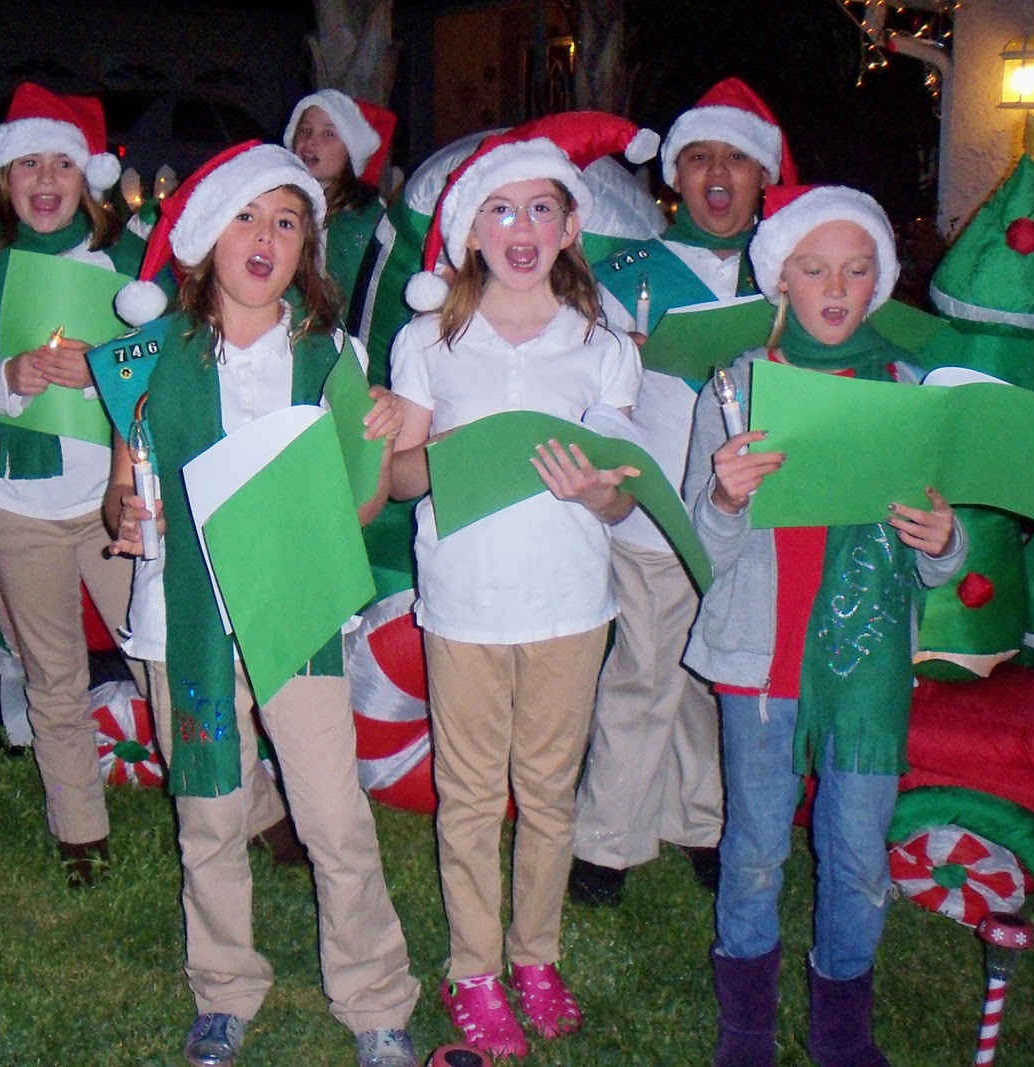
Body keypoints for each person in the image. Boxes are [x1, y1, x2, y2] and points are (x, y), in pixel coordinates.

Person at [98, 141, 421, 1067]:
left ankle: (374, 997)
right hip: (185, 624)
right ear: (204, 240)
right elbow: (123, 492)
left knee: (332, 815)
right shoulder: (149, 360)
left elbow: (362, 507)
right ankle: (225, 988)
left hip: (298, 617)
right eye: (247, 216)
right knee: (209, 810)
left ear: (305, 249)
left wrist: (374, 447)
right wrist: (123, 509)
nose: (267, 237)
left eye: (287, 222)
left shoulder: (334, 358)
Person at [388, 113, 655, 1059]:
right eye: (500, 208)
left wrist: (598, 491)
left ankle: (534, 955)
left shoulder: (603, 341)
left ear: (569, 228)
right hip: (463, 601)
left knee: (547, 795)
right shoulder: (428, 342)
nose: (522, 226)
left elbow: (625, 501)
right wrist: (436, 451)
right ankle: (473, 969)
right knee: (468, 796)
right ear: (470, 231)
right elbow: (401, 481)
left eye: (543, 207)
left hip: (571, 604)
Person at [683, 185, 967, 1066]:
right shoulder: (734, 386)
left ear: (879, 279)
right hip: (760, 660)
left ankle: (843, 1022)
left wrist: (944, 540)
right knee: (758, 842)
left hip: (865, 665)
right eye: (814, 268)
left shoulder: (910, 388)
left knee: (857, 851)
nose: (835, 286)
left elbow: (946, 548)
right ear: (782, 280)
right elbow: (702, 543)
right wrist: (728, 495)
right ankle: (748, 1021)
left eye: (856, 269)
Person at [572, 77, 798, 906]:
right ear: (673, 174)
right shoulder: (628, 270)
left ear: (761, 175)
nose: (715, 173)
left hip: (751, 516)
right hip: (656, 514)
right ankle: (604, 840)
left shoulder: (790, 270)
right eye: (698, 156)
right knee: (641, 674)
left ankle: (701, 820)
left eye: (734, 159)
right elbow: (589, 388)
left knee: (713, 678)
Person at [0, 83, 133, 887]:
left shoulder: (124, 278)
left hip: (115, 505)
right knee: (54, 675)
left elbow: (169, 382)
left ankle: (244, 807)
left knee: (161, 650)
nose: (45, 180)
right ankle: (81, 830)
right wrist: (5, 379)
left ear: (89, 178)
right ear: (4, 181)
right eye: (26, 165)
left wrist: (105, 373)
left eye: (61, 164)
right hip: (18, 510)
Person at [283, 89, 396, 318]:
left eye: (328, 134)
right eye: (305, 130)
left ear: (350, 152)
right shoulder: (279, 204)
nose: (310, 140)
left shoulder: (364, 218)